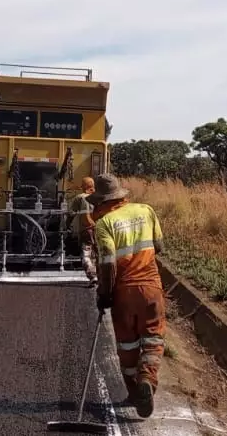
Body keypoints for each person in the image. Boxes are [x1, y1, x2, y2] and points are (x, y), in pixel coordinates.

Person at [88, 173, 166, 418]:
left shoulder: (103, 224)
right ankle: (148, 378)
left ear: (100, 202)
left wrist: (104, 295)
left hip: (124, 292)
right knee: (153, 338)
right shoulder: (146, 210)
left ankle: (135, 392)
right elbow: (159, 246)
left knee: (128, 345)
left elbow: (108, 265)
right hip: (151, 287)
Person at [66, 176, 98, 286]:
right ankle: (102, 277)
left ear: (83, 186)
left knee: (86, 255)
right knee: (98, 254)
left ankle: (92, 276)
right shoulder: (99, 198)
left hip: (86, 230)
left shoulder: (80, 198)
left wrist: (67, 226)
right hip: (99, 230)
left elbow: (70, 213)